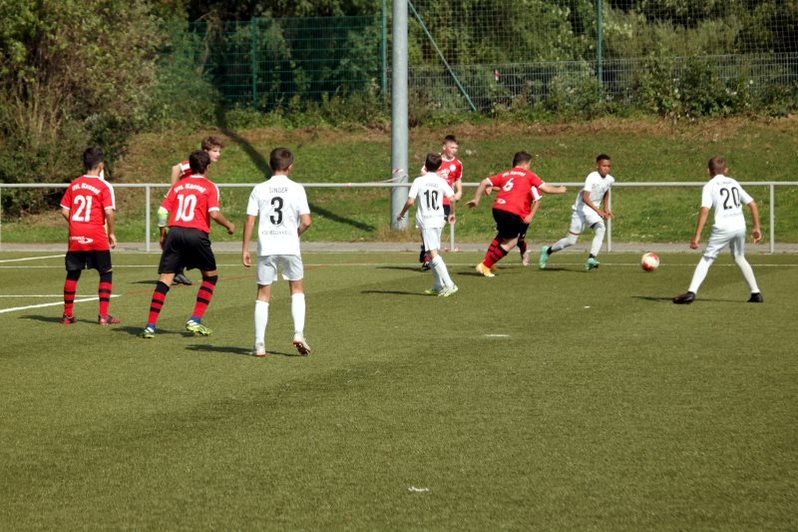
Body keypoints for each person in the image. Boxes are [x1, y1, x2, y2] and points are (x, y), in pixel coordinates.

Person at [140, 150, 235, 338]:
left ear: (190, 167)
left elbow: (162, 212)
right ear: (207, 167)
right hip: (196, 234)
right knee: (210, 277)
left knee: (165, 279)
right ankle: (195, 319)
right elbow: (214, 213)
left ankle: (150, 326)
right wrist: (229, 225)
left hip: (175, 232)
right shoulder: (210, 186)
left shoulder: (178, 186)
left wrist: (162, 234)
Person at [242, 147, 313, 357]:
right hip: (290, 246)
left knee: (263, 294)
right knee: (297, 289)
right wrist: (294, 234)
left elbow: (250, 220)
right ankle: (298, 333)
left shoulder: (259, 189)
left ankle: (259, 344)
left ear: (269, 165)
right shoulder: (297, 189)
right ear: (290, 167)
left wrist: (245, 248)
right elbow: (306, 221)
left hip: (267, 246)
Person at [673, 155, 763, 304]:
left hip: (723, 227)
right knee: (739, 257)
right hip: (740, 226)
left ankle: (691, 292)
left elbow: (705, 210)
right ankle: (756, 293)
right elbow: (753, 204)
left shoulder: (710, 186)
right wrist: (756, 227)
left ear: (708, 171)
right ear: (726, 170)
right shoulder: (733, 182)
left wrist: (697, 236)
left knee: (707, 258)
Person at [467, 151, 566, 277]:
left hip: (497, 208)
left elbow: (484, 182)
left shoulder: (506, 174)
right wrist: (560, 189)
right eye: (529, 164)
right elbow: (546, 189)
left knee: (502, 236)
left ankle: (488, 263)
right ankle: (485, 265)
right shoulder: (529, 175)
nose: (529, 167)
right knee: (513, 242)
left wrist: (476, 199)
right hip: (513, 211)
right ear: (525, 164)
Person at [59, 147, 119, 325]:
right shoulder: (104, 186)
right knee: (105, 272)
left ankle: (67, 315)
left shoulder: (74, 184)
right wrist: (111, 233)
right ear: (101, 165)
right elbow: (109, 212)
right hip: (96, 234)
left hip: (76, 235)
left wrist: (77, 224)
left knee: (73, 273)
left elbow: (64, 211)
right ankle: (103, 315)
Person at [539, 153, 615, 271]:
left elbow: (606, 191)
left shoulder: (610, 179)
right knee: (571, 241)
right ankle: (547, 250)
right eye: (604, 166)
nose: (606, 168)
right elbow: (585, 198)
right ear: (597, 166)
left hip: (592, 210)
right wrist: (599, 211)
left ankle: (591, 258)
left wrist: (605, 208)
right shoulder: (592, 177)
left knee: (601, 229)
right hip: (581, 209)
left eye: (608, 166)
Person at [398, 153, 459, 296]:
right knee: (429, 252)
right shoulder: (441, 181)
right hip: (438, 219)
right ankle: (438, 285)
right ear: (439, 166)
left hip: (427, 220)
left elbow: (410, 201)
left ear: (425, 165)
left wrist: (401, 213)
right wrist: (452, 213)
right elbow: (452, 198)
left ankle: (450, 284)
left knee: (432, 253)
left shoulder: (419, 181)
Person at [169, 135, 225, 286]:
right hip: (185, 203)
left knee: (188, 239)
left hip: (191, 203)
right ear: (206, 151)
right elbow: (176, 168)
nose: (218, 154)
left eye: (219, 151)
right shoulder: (195, 162)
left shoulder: (204, 165)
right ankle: (178, 270)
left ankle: (178, 270)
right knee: (192, 237)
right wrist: (174, 189)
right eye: (215, 151)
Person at [418, 134, 463, 269]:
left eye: (456, 148)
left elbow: (457, 179)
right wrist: (436, 175)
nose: (454, 150)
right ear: (444, 147)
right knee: (426, 227)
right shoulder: (435, 159)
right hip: (431, 199)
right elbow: (422, 173)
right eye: (452, 147)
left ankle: (428, 257)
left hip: (445, 200)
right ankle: (426, 249)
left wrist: (459, 191)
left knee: (437, 227)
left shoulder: (457, 164)